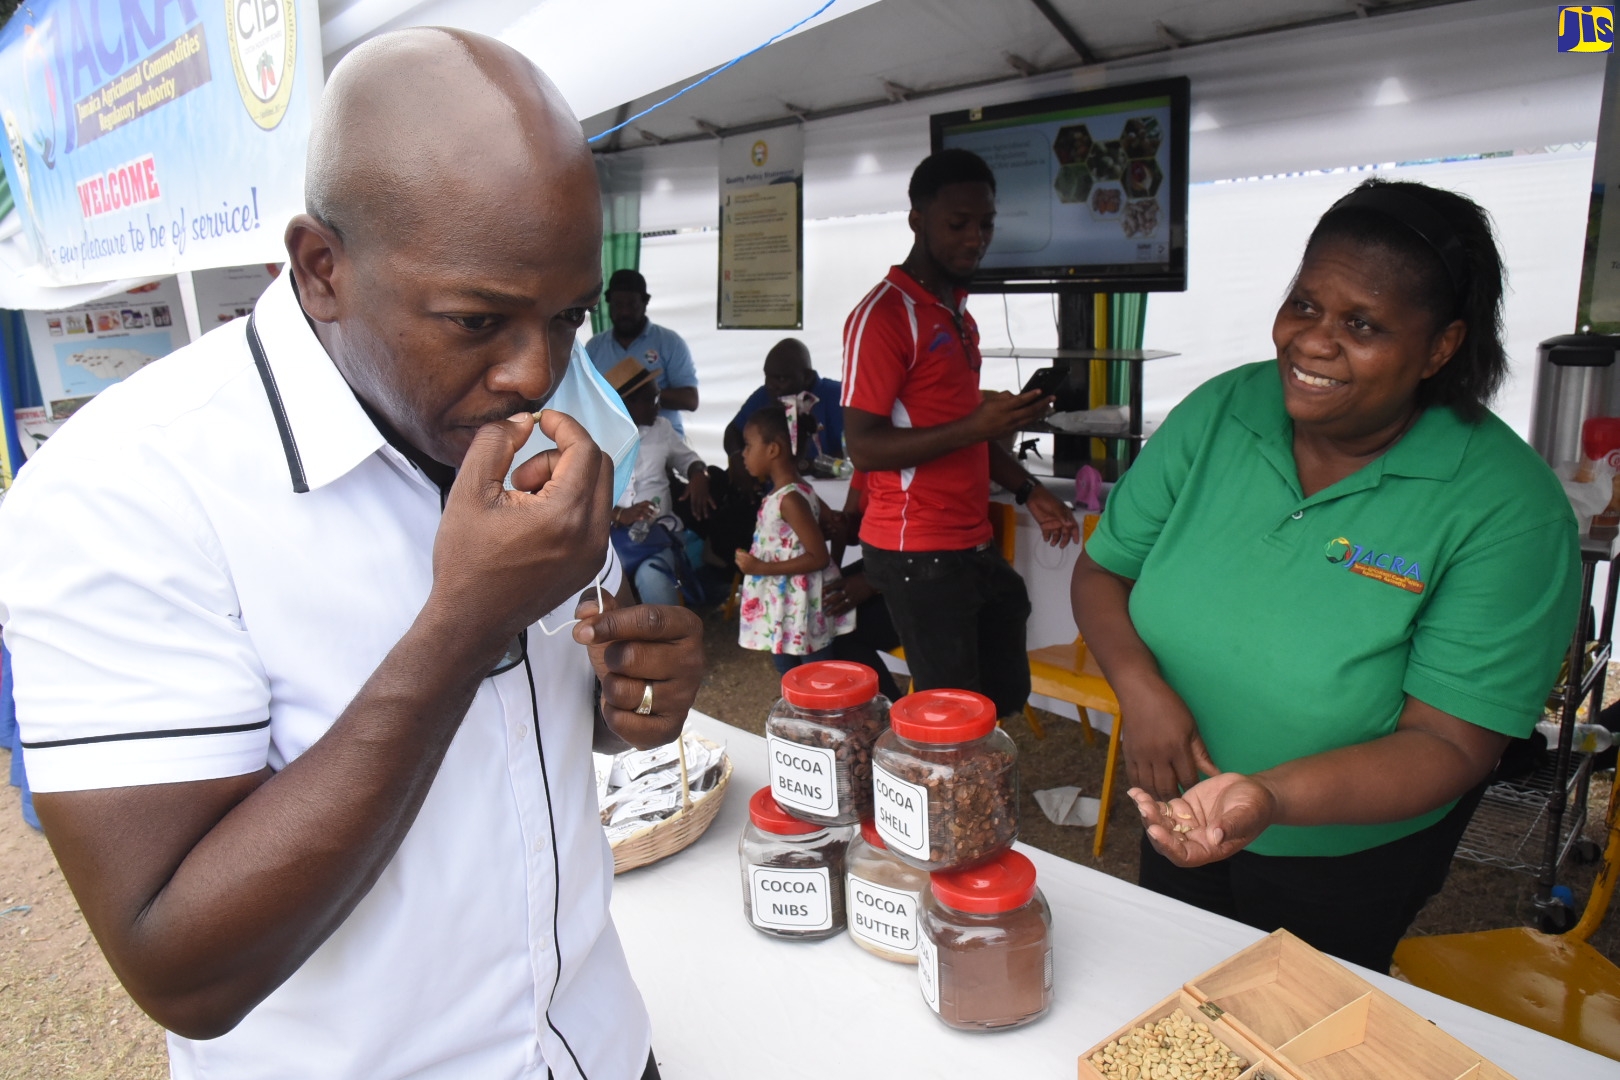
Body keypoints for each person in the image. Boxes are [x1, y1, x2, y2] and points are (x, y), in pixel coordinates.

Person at [0, 29, 704, 1080]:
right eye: (479, 320)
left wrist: (620, 698)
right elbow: (180, 967)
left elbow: (534, 734)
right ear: (321, 269)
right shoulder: (126, 491)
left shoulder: (519, 411)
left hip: (601, 1047)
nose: (534, 371)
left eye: (567, 318)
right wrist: (462, 627)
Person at [1071, 178, 1581, 973]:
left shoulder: (1506, 509)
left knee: (1299, 1025)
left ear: (1441, 347)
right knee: (1172, 992)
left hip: (1348, 859)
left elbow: (1450, 742)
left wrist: (1270, 798)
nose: (1311, 341)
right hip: (1180, 806)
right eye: (1305, 305)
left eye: (1363, 324)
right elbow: (1102, 574)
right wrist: (1142, 693)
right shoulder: (1221, 413)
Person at [841, 147, 1079, 719]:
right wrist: (978, 423)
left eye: (986, 224)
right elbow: (864, 446)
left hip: (965, 537)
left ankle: (933, 771)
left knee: (1001, 686)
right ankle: (929, 787)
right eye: (958, 224)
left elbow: (963, 431)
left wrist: (1029, 489)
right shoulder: (884, 315)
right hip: (914, 546)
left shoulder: (958, 316)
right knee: (954, 714)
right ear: (917, 221)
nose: (975, 238)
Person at [735, 406, 854, 673]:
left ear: (773, 450)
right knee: (799, 673)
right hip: (790, 606)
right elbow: (837, 527)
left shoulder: (789, 499)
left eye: (747, 445)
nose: (743, 454)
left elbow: (817, 557)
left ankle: (816, 713)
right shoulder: (801, 490)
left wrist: (760, 568)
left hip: (798, 610)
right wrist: (834, 569)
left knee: (812, 676)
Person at [609, 356, 713, 606]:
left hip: (657, 535)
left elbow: (689, 460)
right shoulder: (597, 439)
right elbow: (582, 499)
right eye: (652, 399)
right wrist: (620, 514)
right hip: (609, 541)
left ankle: (669, 642)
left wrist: (698, 473)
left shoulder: (662, 428)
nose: (660, 404)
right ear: (626, 403)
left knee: (653, 575)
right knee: (608, 587)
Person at [585, 268, 699, 437]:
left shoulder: (669, 342)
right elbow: (584, 396)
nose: (624, 312)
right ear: (609, 305)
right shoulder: (595, 347)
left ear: (645, 303)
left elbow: (690, 400)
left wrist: (644, 395)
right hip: (613, 440)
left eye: (632, 305)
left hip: (664, 444)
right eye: (618, 305)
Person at [724, 337, 845, 470]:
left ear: (807, 377)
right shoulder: (764, 394)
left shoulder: (837, 396)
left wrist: (806, 466)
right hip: (774, 488)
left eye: (781, 379)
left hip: (832, 486)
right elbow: (733, 431)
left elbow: (853, 450)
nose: (770, 385)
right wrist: (737, 459)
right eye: (767, 376)